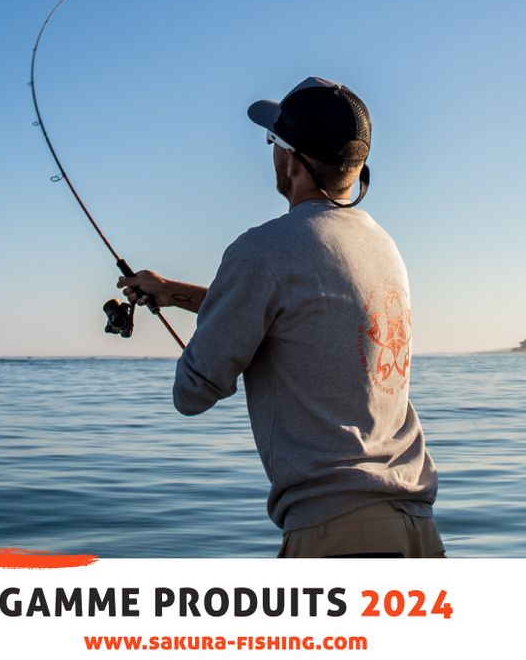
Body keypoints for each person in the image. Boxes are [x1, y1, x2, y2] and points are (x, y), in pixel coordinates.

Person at [118, 77, 445, 558]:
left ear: (290, 160)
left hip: (340, 537)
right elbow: (305, 315)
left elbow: (192, 393)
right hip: (417, 531)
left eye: (273, 141)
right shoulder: (381, 246)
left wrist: (212, 340)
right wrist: (174, 293)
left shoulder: (264, 250)